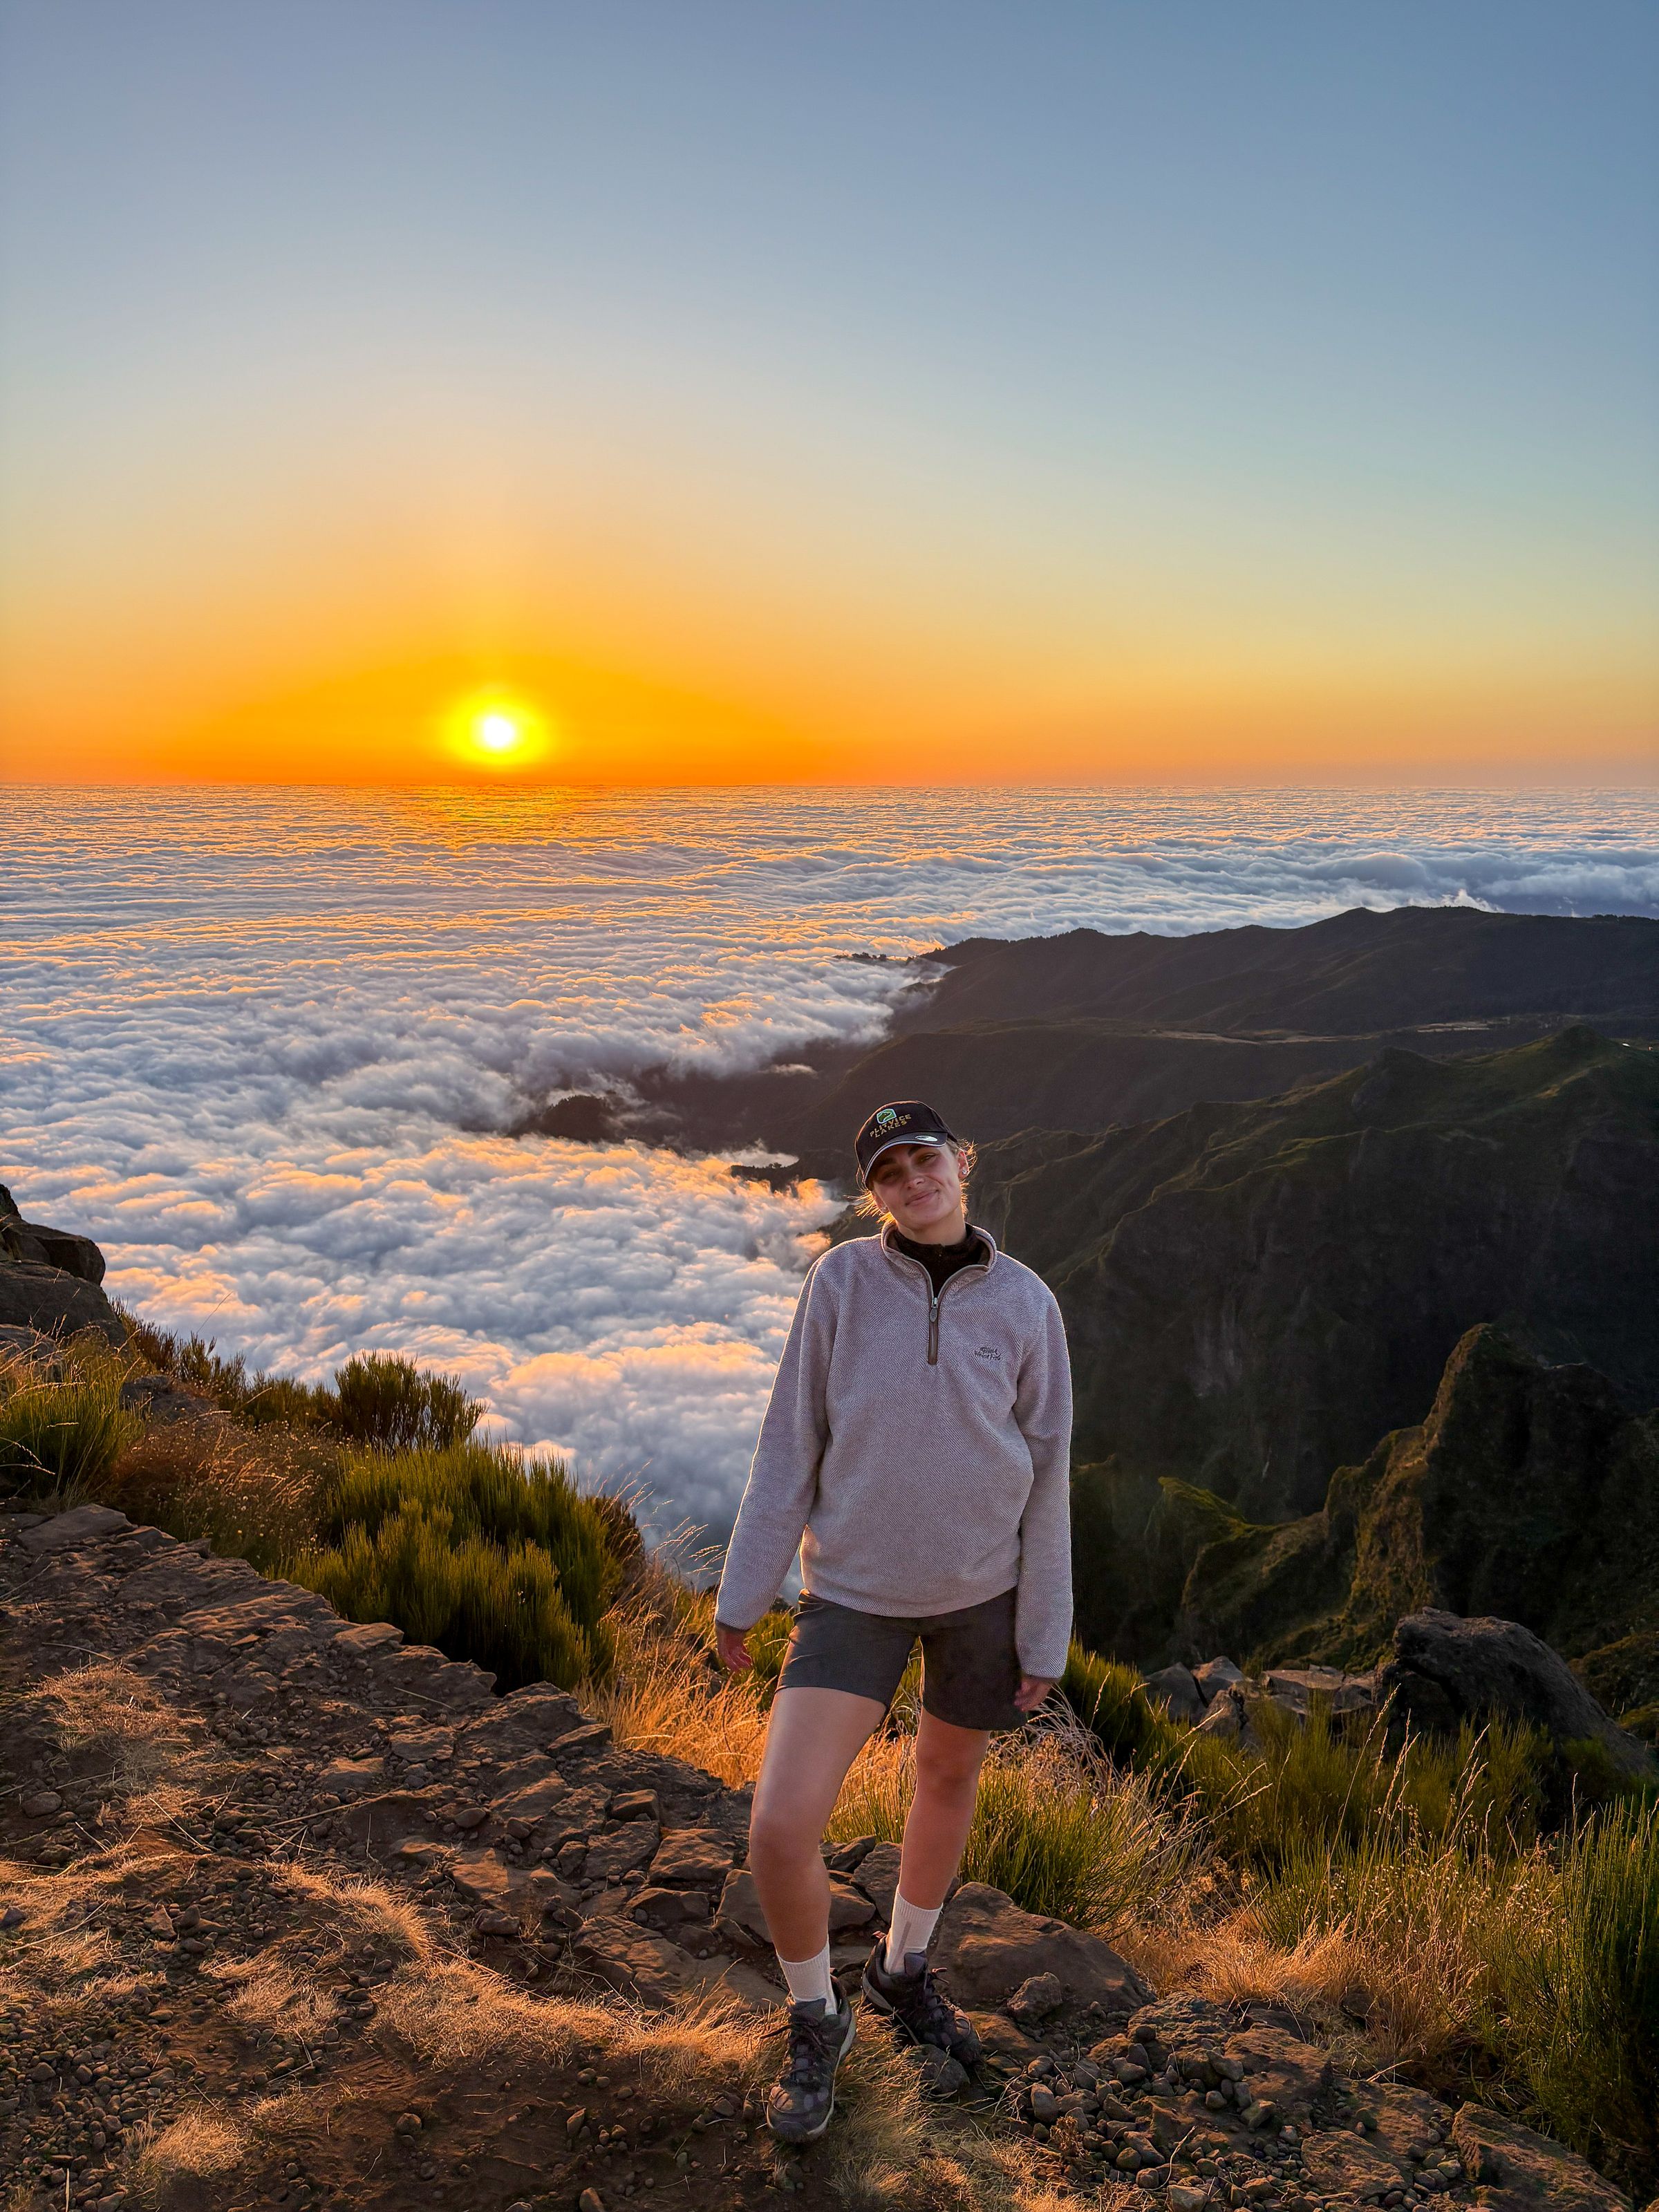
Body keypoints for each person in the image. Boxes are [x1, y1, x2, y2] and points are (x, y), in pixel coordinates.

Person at [713, 1099, 1074, 2141]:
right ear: (874, 1194)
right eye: (888, 1172)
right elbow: (791, 1443)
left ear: (965, 1160)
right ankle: (813, 2015)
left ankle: (901, 1969)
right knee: (782, 1824)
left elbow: (1049, 1476)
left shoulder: (1028, 1304)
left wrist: (1042, 1634)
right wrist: (744, 1595)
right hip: (853, 1597)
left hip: (982, 1597)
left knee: (947, 1777)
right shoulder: (840, 1283)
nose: (913, 1179)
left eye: (926, 1158)